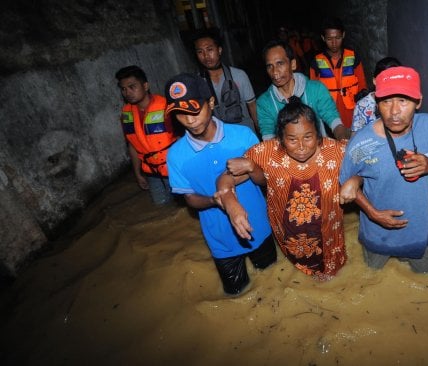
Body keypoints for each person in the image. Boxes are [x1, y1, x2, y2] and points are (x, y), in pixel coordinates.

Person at [216, 98, 355, 281]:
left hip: (329, 234)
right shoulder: (267, 153)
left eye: (308, 137)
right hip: (289, 236)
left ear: (318, 135)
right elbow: (225, 176)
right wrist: (230, 202)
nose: (301, 147)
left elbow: (365, 157)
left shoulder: (334, 151)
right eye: (292, 139)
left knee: (334, 276)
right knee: (300, 273)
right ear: (280, 139)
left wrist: (354, 180)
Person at [164, 73, 276, 296]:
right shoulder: (176, 155)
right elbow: (190, 199)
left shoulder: (243, 136)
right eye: (180, 113)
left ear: (211, 103)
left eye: (194, 109)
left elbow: (265, 180)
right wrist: (214, 200)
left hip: (260, 228)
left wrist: (252, 167)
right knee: (237, 294)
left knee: (274, 281)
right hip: (220, 242)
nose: (189, 119)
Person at [339, 66, 428, 273]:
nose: (394, 112)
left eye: (403, 101)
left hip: (417, 232)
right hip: (376, 232)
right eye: (386, 101)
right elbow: (347, 183)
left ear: (418, 101)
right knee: (370, 276)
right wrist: (373, 214)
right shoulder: (361, 142)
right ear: (376, 103)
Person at [256, 39, 350, 141]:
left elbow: (332, 118)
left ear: (293, 64)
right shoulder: (264, 103)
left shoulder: (316, 89)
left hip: (319, 152)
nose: (274, 72)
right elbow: (268, 136)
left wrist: (343, 138)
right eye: (270, 66)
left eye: (280, 63)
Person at [115, 65, 177, 205]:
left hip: (173, 168)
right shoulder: (126, 114)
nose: (128, 92)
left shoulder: (166, 108)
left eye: (132, 87)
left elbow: (182, 139)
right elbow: (132, 144)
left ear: (146, 86)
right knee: (161, 206)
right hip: (150, 171)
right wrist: (137, 173)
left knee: (181, 205)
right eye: (123, 89)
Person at [193, 29, 260, 135]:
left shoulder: (239, 75)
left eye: (209, 50)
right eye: (200, 52)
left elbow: (252, 106)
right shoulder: (197, 82)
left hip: (244, 135)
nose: (206, 56)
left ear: (219, 50)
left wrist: (261, 133)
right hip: (218, 140)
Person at [310, 16, 368, 129]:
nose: (334, 43)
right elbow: (313, 91)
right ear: (323, 38)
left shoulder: (353, 56)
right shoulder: (317, 62)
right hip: (329, 112)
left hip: (352, 109)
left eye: (338, 38)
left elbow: (361, 82)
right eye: (329, 39)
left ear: (343, 35)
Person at [352, 57, 402, 133]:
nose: (390, 86)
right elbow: (355, 138)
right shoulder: (362, 106)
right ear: (375, 81)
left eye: (395, 81)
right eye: (386, 81)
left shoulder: (405, 103)